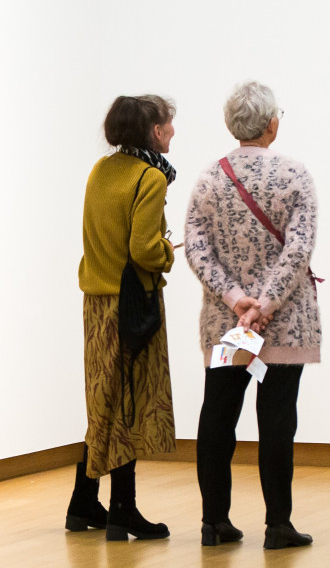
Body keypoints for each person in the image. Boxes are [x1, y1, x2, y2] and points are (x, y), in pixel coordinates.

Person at [184, 81, 320, 549]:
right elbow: (299, 248)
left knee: (217, 416)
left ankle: (213, 523)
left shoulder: (208, 178)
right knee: (278, 419)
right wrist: (267, 303)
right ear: (272, 124)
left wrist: (235, 298)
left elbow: (197, 249)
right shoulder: (295, 175)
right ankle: (278, 525)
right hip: (282, 322)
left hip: (227, 325)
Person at [66, 95, 177, 541]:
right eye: (169, 124)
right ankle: (122, 512)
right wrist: (168, 252)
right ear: (154, 131)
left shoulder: (101, 171)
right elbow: (144, 249)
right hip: (133, 305)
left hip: (95, 301)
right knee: (130, 401)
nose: (173, 131)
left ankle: (83, 502)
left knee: (103, 400)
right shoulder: (150, 178)